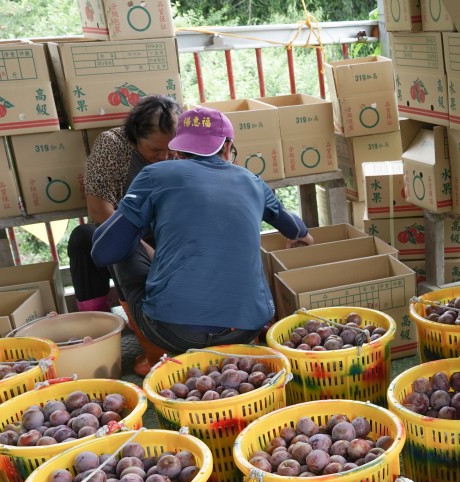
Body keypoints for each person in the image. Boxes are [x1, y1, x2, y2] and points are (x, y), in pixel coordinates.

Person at [90, 105, 314, 354]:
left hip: (173, 332)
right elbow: (294, 227)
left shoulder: (154, 175)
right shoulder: (253, 181)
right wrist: (303, 235)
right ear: (228, 146)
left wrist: (135, 229)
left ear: (177, 148)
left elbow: (104, 252)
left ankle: (150, 353)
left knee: (124, 245)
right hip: (246, 328)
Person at [66, 95, 182, 313]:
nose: (166, 157)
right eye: (156, 150)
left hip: (168, 237)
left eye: (171, 149)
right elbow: (98, 210)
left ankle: (146, 320)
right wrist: (143, 247)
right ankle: (97, 320)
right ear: (135, 134)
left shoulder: (184, 149)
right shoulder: (113, 145)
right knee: (85, 237)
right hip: (126, 232)